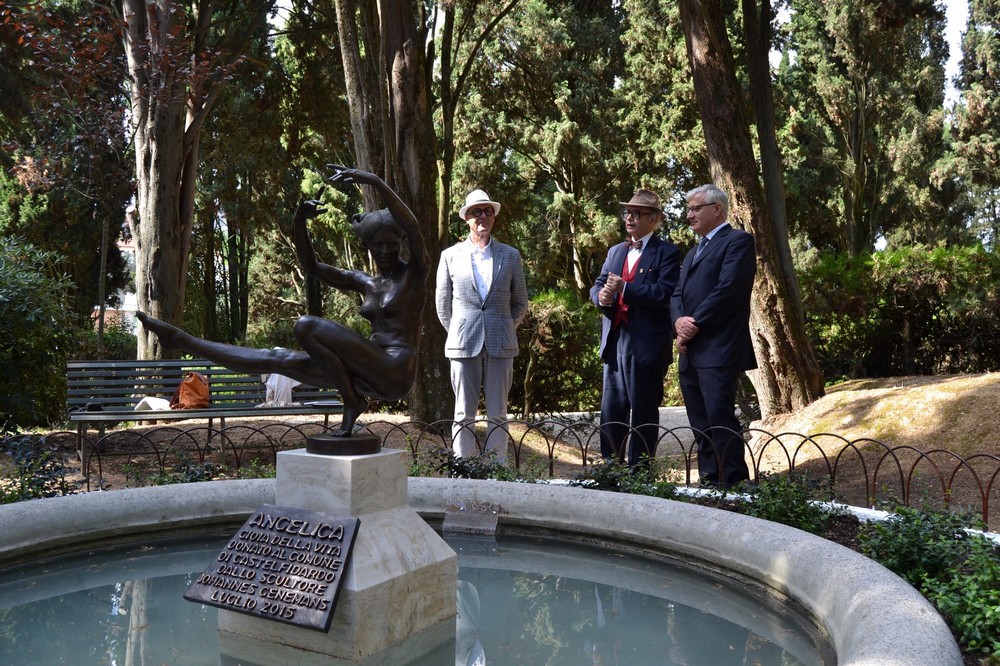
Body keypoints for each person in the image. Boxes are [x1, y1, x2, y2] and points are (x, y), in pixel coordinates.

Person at [137, 165, 429, 436]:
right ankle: (182, 340)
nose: (386, 250)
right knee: (277, 359)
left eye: (392, 244)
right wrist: (299, 221)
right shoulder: (365, 282)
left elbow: (413, 227)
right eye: (379, 245)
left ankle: (352, 401)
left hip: (395, 370)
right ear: (369, 247)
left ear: (401, 244)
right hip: (366, 370)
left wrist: (374, 181)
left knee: (306, 326)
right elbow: (312, 268)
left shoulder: (414, 274)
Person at [669, 184, 756, 488]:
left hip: (719, 347)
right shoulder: (694, 251)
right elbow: (677, 294)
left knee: (720, 418)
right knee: (700, 422)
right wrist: (678, 322)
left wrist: (694, 324)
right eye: (688, 209)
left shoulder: (738, 242)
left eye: (695, 208)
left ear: (716, 209)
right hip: (690, 349)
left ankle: (733, 484)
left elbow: (728, 291)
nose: (688, 214)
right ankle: (710, 481)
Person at [436, 189, 528, 464]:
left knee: (498, 413)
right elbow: (443, 306)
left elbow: (520, 303)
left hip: (501, 343)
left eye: (488, 211)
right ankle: (462, 469)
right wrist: (460, 331)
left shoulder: (510, 255)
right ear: (467, 218)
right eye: (477, 212)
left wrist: (502, 327)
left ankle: (496, 470)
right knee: (463, 412)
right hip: (463, 344)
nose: (483, 217)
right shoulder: (450, 256)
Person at [590, 189, 681, 468]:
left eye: (637, 213)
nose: (629, 218)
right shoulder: (616, 251)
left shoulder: (667, 252)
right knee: (612, 407)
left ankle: (639, 470)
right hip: (615, 338)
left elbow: (665, 293)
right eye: (627, 212)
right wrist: (601, 297)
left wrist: (626, 289)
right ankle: (610, 466)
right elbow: (598, 284)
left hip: (646, 343)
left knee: (643, 408)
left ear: (654, 220)